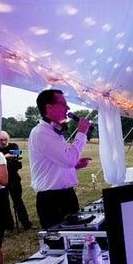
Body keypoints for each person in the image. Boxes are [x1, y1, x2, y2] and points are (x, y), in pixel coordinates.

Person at [28, 89, 92, 229]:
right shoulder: (41, 133)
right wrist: (81, 133)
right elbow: (68, 159)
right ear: (49, 107)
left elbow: (59, 161)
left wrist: (75, 165)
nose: (68, 108)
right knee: (60, 243)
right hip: (52, 200)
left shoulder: (55, 132)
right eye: (63, 104)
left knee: (76, 238)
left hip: (66, 196)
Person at [0, 130, 32, 230]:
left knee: (18, 201)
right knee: (4, 204)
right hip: (1, 180)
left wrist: (3, 157)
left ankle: (26, 223)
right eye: (1, 140)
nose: (4, 142)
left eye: (5, 140)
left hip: (14, 179)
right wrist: (5, 157)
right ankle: (9, 226)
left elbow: (17, 153)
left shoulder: (13, 145)